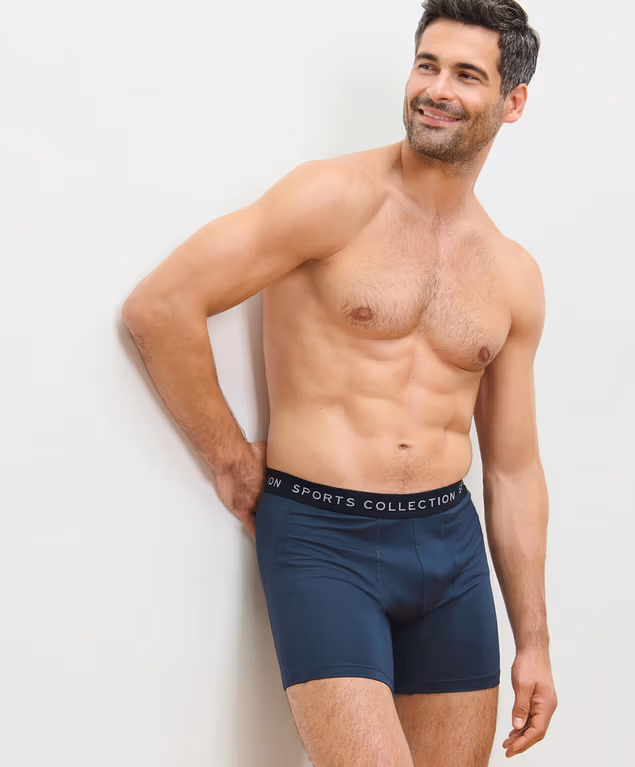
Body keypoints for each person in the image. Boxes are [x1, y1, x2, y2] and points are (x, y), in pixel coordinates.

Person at [121, 0, 556, 762]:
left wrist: (535, 641)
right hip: (324, 539)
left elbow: (514, 471)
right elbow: (160, 307)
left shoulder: (513, 274)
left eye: (466, 75)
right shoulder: (332, 198)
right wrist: (230, 459)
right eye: (427, 65)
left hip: (451, 553)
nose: (436, 89)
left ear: (513, 101)